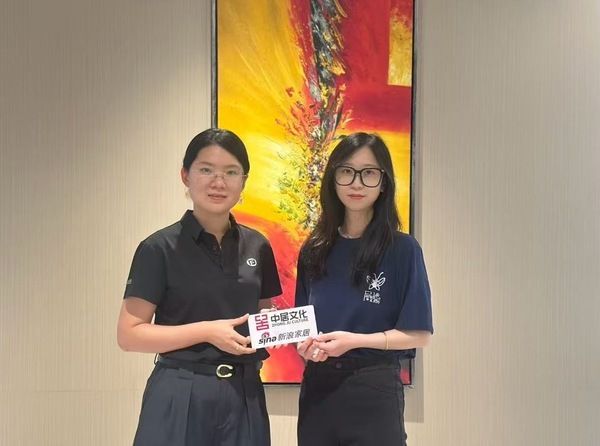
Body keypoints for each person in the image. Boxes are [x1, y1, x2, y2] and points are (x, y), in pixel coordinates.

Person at [117, 128, 281, 446]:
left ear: (244, 181)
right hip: (179, 389)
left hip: (244, 393)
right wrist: (207, 332)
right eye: (206, 170)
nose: (218, 182)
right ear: (186, 176)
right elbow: (129, 335)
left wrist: (296, 331)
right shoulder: (158, 248)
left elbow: (263, 321)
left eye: (230, 172)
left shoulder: (258, 245)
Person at [295, 132, 433, 446]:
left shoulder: (403, 250)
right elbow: (302, 326)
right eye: (347, 171)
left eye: (368, 173)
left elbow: (419, 334)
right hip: (318, 388)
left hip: (374, 386)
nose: (356, 183)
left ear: (383, 183)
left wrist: (353, 341)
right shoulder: (314, 249)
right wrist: (305, 347)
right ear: (333, 179)